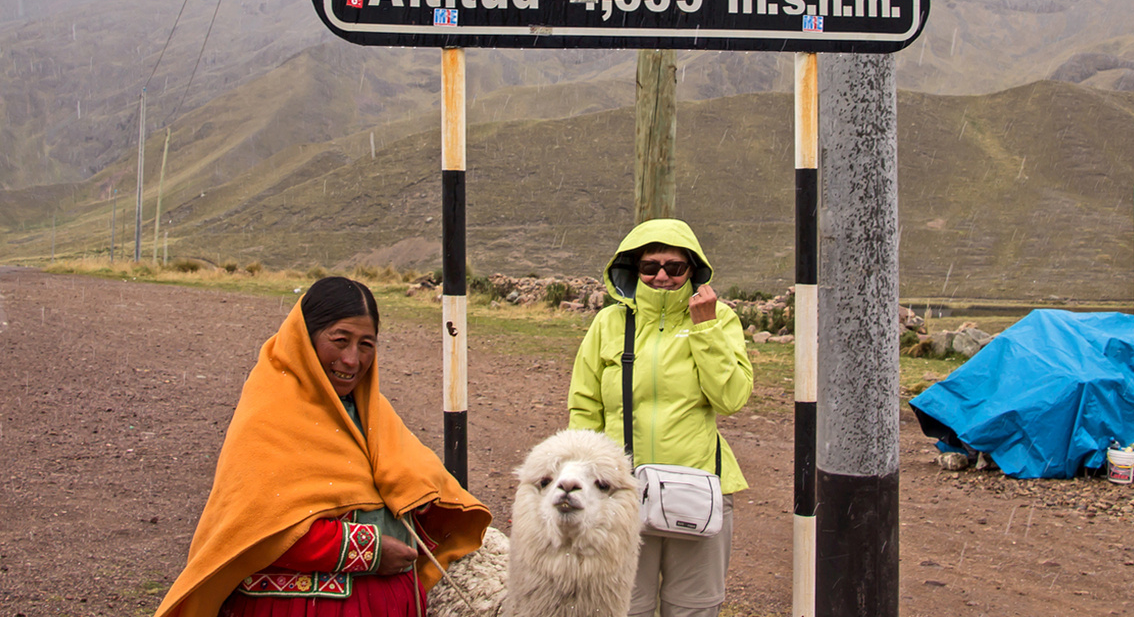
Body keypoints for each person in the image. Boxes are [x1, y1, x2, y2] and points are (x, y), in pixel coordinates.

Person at [155, 277, 490, 617]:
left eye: (366, 344)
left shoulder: (373, 413)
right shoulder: (271, 414)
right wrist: (370, 551)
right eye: (340, 340)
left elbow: (418, 485)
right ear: (305, 339)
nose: (351, 360)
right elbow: (254, 532)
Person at [567, 219, 754, 617]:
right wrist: (585, 477)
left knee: (693, 607)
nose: (662, 276)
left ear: (694, 270)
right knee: (623, 606)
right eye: (650, 267)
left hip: (699, 486)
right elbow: (584, 407)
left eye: (675, 267)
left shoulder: (719, 319)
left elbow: (731, 398)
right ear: (633, 271)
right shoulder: (609, 323)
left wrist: (705, 328)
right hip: (621, 492)